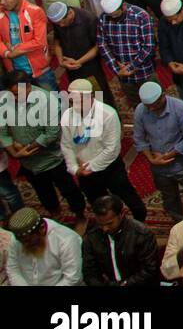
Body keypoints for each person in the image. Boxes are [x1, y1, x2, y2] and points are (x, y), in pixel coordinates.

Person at [0, 72, 88, 221]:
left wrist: (26, 149)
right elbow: (2, 131)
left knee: (69, 190)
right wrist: (14, 153)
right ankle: (55, 216)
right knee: (43, 192)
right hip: (29, 163)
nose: (14, 98)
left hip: (54, 158)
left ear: (28, 86)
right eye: (12, 94)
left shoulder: (47, 100)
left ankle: (80, 216)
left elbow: (52, 133)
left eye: (17, 94)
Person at [59, 78, 147, 221]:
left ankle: (140, 225)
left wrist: (90, 166)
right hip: (85, 173)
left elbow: (112, 148)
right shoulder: (68, 116)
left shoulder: (107, 114)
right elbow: (66, 145)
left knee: (131, 201)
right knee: (99, 206)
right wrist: (75, 169)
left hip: (110, 168)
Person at [132, 80, 183, 222]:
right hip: (159, 168)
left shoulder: (182, 109)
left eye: (155, 105)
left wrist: (169, 155)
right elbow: (139, 138)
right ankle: (179, 223)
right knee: (170, 199)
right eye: (149, 107)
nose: (152, 109)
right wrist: (151, 158)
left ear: (163, 96)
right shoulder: (141, 110)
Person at [81, 193, 159, 286]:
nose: (105, 229)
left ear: (122, 214)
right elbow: (89, 271)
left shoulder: (142, 234)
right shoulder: (91, 236)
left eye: (109, 223)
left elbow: (149, 270)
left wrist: (123, 284)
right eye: (101, 224)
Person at [5, 206, 82, 285]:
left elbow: (72, 278)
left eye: (28, 241)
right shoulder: (18, 238)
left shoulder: (66, 240)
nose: (25, 245)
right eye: (21, 241)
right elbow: (13, 268)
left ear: (42, 229)